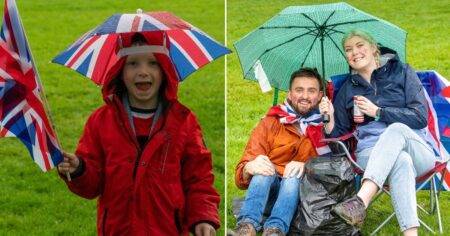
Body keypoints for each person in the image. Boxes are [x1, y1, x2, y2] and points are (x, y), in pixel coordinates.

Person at [57, 33, 220, 236]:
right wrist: (79, 169)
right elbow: (92, 185)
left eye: (153, 63)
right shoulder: (101, 121)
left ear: (165, 71)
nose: (143, 72)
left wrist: (203, 217)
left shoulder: (184, 122)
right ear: (120, 71)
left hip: (167, 230)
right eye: (133, 63)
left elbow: (199, 179)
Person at [319, 30, 438, 236]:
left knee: (396, 129)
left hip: (416, 145)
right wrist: (329, 117)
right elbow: (337, 140)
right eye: (348, 49)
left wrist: (378, 112)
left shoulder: (402, 71)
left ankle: (361, 200)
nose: (354, 52)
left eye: (359, 45)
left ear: (374, 48)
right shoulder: (348, 88)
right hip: (371, 155)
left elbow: (420, 116)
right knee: (401, 161)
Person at [234, 68, 330, 236]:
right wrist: (249, 167)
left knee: (292, 177)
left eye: (311, 91)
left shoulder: (327, 126)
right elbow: (241, 174)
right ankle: (246, 227)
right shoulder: (271, 122)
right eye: (299, 90)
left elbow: (333, 170)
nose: (305, 96)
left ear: (321, 95)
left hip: (302, 201)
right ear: (290, 94)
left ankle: (275, 230)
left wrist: (307, 166)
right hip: (266, 194)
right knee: (263, 170)